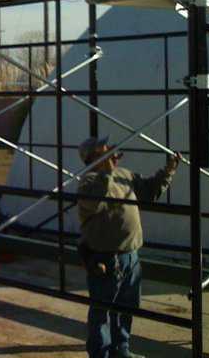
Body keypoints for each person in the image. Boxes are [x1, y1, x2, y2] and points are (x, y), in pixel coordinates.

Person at [77, 136, 180, 358]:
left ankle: (121, 350)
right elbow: (94, 202)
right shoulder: (88, 181)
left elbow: (149, 191)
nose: (114, 152)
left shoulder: (124, 175)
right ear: (94, 157)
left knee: (126, 308)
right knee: (102, 311)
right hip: (106, 258)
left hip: (130, 255)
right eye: (106, 150)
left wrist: (168, 170)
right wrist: (105, 172)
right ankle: (100, 353)